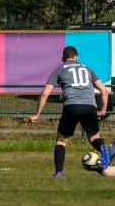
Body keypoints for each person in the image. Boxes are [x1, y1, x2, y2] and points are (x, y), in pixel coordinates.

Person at [29, 46, 110, 177]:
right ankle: (102, 148)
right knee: (94, 137)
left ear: (63, 58)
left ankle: (59, 172)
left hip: (72, 106)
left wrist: (37, 114)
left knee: (61, 140)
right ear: (76, 57)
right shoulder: (87, 68)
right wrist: (103, 110)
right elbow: (104, 91)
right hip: (90, 106)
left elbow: (45, 94)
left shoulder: (60, 69)